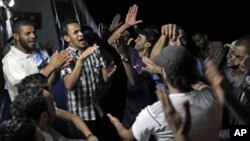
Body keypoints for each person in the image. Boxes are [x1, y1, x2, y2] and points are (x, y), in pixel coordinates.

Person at [108, 46, 222, 141]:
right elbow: (199, 84)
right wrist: (162, 70)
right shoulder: (212, 95)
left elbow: (128, 136)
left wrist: (116, 123)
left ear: (164, 73)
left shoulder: (156, 112)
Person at [60, 19, 116, 140]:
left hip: (97, 111)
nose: (81, 34)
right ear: (67, 38)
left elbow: (105, 79)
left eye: (80, 30)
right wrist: (81, 60)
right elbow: (69, 84)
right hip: (79, 118)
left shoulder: (94, 52)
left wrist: (108, 75)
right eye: (75, 32)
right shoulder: (65, 56)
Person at [107, 4, 159, 129]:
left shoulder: (152, 63)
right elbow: (110, 41)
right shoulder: (132, 53)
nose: (135, 40)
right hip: (129, 110)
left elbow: (134, 80)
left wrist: (124, 56)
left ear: (147, 44)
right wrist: (127, 24)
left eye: (139, 38)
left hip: (144, 113)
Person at [2, 18, 71, 101]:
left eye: (34, 32)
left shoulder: (37, 53)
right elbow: (26, 90)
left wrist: (56, 69)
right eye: (28, 33)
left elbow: (46, 83)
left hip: (45, 107)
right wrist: (51, 67)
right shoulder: (11, 60)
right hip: (28, 113)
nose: (33, 36)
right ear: (16, 36)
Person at [17, 73, 99, 141]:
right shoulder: (32, 133)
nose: (53, 93)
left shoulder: (43, 111)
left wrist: (90, 136)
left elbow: (74, 117)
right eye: (50, 90)